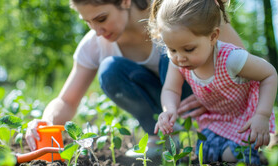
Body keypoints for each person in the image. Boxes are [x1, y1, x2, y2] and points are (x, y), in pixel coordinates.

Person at [25, 0, 244, 157]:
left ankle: (216, 137)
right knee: (110, 70)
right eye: (88, 22)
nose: (97, 31)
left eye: (102, 18)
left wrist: (212, 89)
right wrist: (46, 122)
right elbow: (66, 101)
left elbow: (241, 61)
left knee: (171, 56)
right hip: (165, 112)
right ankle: (161, 138)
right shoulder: (93, 44)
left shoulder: (175, 12)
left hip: (198, 102)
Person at [151, 0, 277, 165]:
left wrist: (262, 115)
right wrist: (169, 109)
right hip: (214, 119)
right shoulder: (177, 61)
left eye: (188, 49)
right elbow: (171, 89)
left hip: (244, 119)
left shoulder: (231, 58)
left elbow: (269, 74)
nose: (179, 57)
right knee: (205, 155)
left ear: (213, 36)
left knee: (232, 157)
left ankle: (254, 159)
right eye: (172, 49)